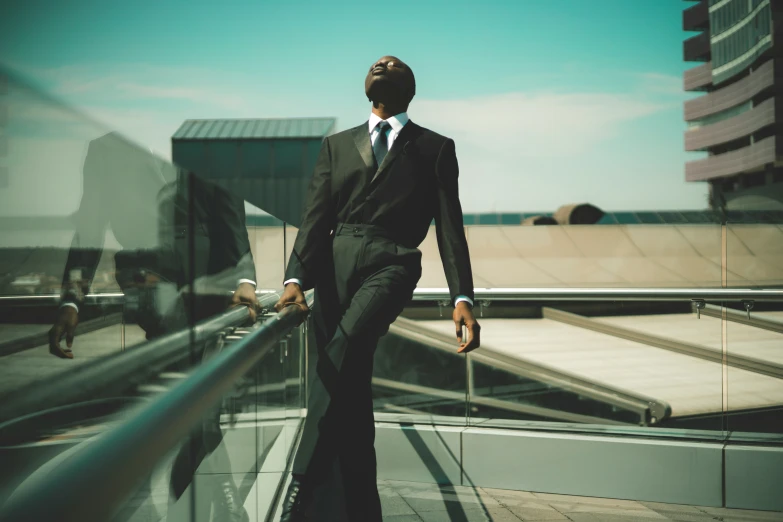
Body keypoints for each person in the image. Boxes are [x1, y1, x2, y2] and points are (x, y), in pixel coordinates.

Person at [274, 56, 481, 522]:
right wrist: (294, 280)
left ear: (410, 89)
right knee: (347, 391)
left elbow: (451, 228)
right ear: (366, 86)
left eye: (394, 63)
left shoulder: (435, 148)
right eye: (376, 63)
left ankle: (300, 477)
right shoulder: (336, 145)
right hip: (332, 266)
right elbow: (314, 220)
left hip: (393, 262)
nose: (383, 63)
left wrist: (462, 297)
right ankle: (354, 509)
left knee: (342, 350)